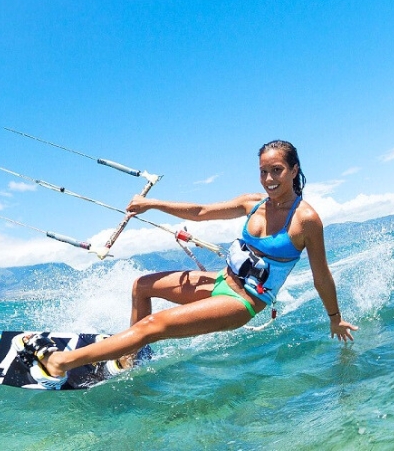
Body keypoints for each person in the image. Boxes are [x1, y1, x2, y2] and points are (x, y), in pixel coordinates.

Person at [26, 140, 359, 388]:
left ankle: (61, 363)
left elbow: (321, 276)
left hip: (242, 302)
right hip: (219, 281)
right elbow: (200, 212)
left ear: (294, 170)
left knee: (151, 327)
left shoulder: (306, 220)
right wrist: (152, 203)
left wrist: (335, 318)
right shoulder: (252, 203)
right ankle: (128, 359)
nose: (269, 178)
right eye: (263, 171)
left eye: (277, 170)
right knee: (141, 287)